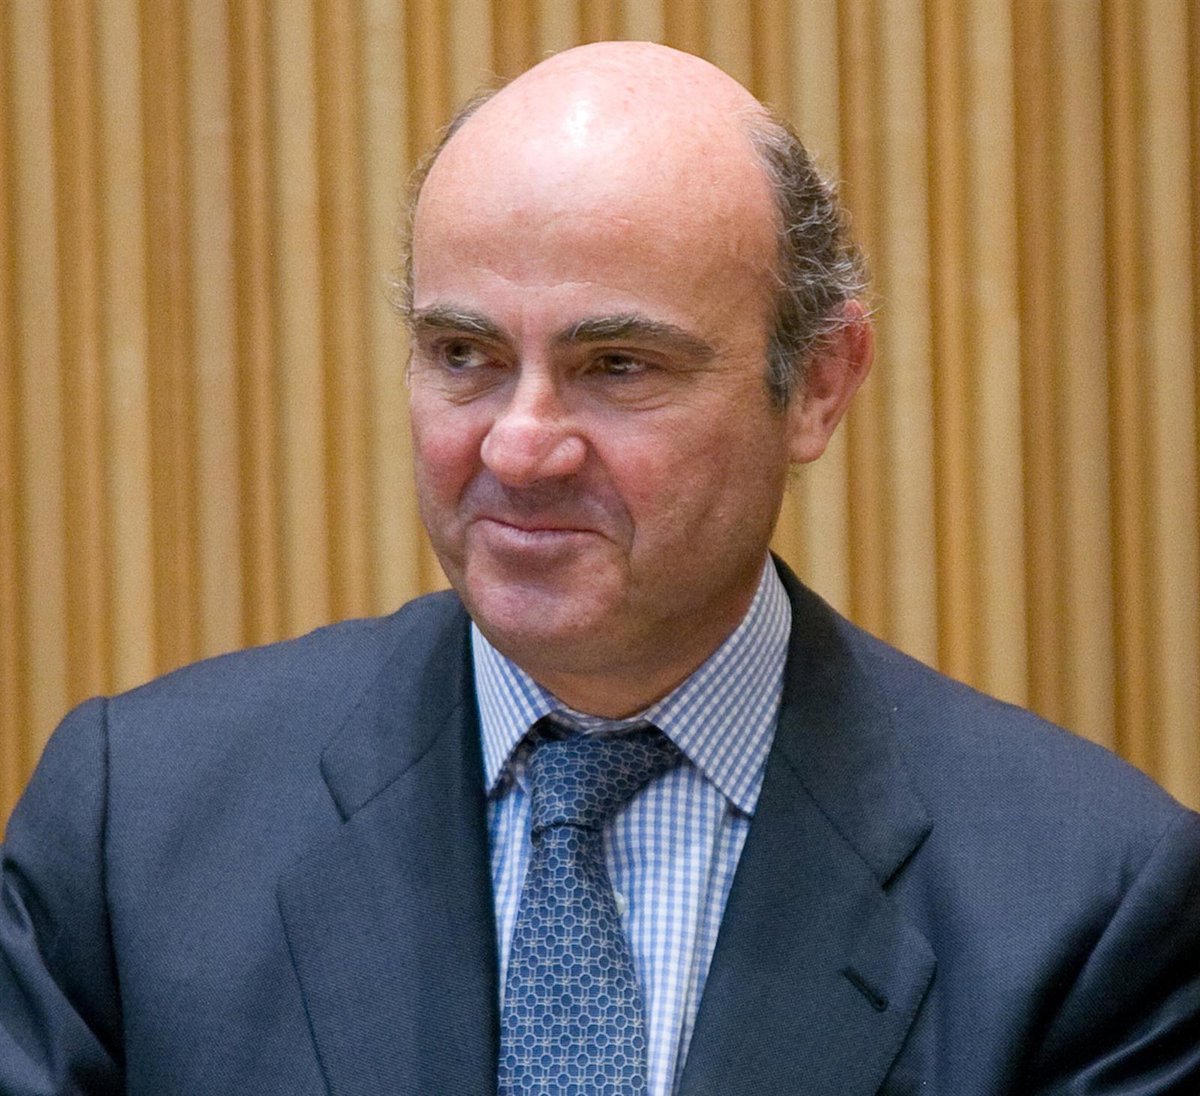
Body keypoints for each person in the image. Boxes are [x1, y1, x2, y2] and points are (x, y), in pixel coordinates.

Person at [2, 40, 1198, 1096]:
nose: (520, 448)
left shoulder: (1086, 906)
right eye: (463, 354)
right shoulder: (132, 835)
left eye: (618, 366)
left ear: (819, 384)